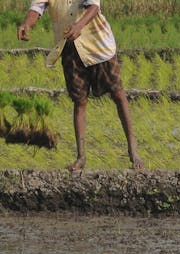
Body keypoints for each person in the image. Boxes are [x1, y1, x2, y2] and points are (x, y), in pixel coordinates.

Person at [18, 0, 143, 172]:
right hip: (70, 48)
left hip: (98, 45)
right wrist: (27, 24)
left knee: (118, 94)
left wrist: (78, 26)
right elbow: (36, 9)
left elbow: (93, 7)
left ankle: (133, 151)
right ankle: (81, 157)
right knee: (80, 102)